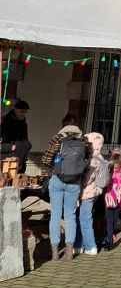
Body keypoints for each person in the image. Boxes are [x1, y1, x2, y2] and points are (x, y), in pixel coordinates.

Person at [41, 113, 90, 262]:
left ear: (63, 126)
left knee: (55, 215)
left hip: (57, 179)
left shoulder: (57, 139)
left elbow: (45, 160)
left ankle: (55, 252)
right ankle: (69, 251)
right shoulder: (84, 141)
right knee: (70, 215)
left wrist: (55, 165)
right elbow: (87, 160)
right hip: (74, 181)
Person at [74, 132, 106, 256]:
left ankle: (90, 246)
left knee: (84, 218)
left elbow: (88, 178)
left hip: (88, 192)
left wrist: (77, 186)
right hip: (95, 191)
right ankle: (78, 244)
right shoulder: (100, 157)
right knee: (80, 217)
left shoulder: (92, 159)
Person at [0, 99, 31, 173]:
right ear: (15, 110)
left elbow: (24, 138)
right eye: (21, 111)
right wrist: (11, 147)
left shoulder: (23, 123)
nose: (23, 114)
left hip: (21, 160)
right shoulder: (6, 122)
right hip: (8, 160)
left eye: (25, 112)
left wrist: (28, 145)